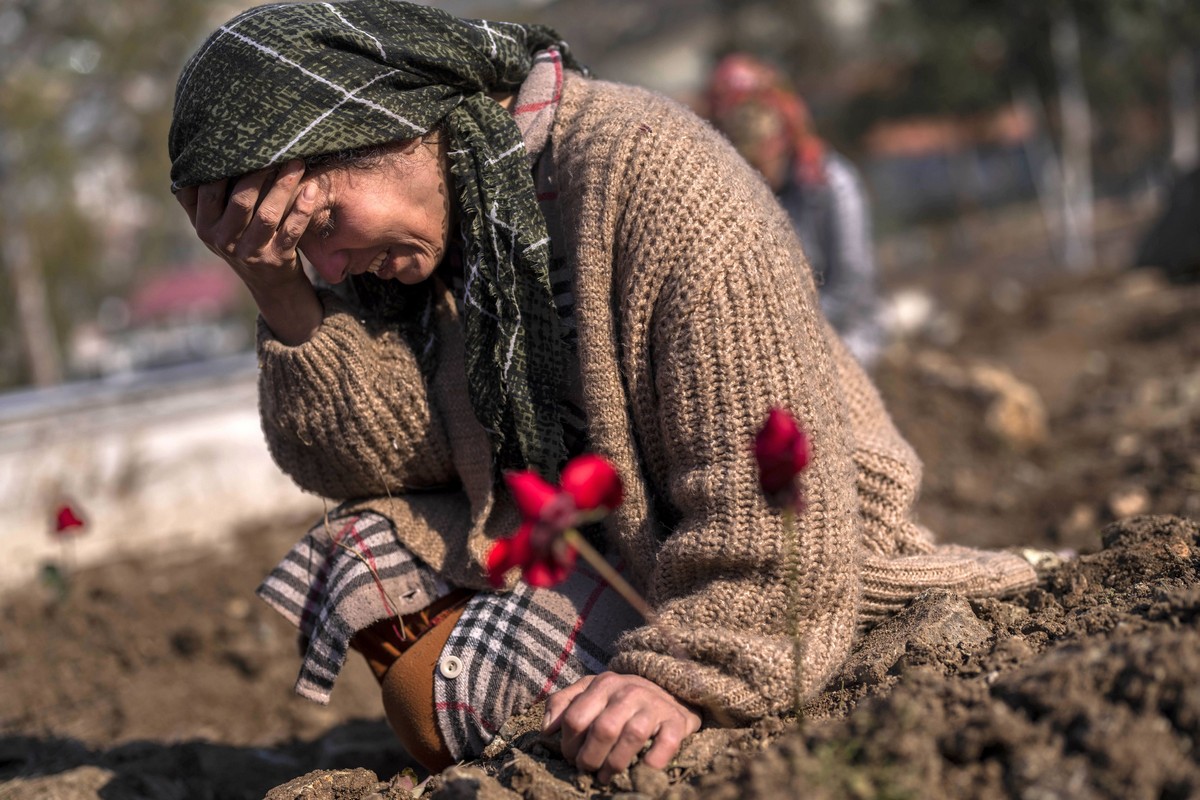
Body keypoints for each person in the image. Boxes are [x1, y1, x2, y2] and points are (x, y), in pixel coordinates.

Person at [169, 0, 1036, 783]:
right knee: (362, 551)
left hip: (792, 573)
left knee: (441, 704)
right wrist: (278, 291)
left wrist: (692, 678)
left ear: (391, 124)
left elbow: (780, 486)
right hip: (621, 550)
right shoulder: (441, 231)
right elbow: (376, 458)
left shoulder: (650, 175)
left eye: (322, 226)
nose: (326, 264)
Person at [706, 53, 886, 368]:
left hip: (846, 343)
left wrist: (787, 335)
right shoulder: (738, 199)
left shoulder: (831, 184)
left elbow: (850, 283)